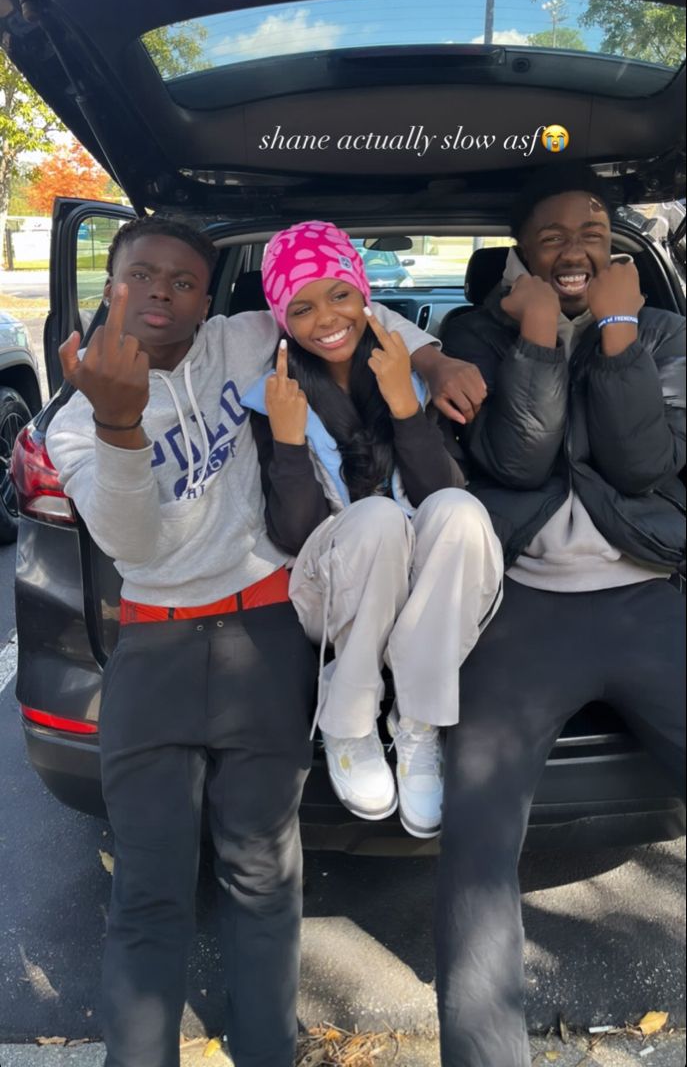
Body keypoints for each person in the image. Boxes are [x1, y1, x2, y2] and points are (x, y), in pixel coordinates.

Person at [45, 215, 490, 1067]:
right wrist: (119, 426)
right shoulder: (73, 418)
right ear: (112, 285)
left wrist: (430, 359)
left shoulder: (244, 338)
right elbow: (130, 546)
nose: (163, 294)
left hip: (265, 636)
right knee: (148, 896)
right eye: (143, 276)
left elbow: (353, 317)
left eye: (183, 281)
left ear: (207, 298)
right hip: (154, 650)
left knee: (262, 884)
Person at [435, 164, 686, 1067]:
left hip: (647, 597)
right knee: (476, 842)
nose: (573, 246)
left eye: (591, 228)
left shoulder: (661, 330)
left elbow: (641, 466)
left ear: (616, 242)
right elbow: (512, 461)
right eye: (550, 234)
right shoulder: (474, 332)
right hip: (522, 609)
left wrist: (615, 331)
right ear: (521, 253)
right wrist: (537, 335)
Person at [241, 221, 503, 839]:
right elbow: (294, 532)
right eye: (301, 307)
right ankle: (350, 720)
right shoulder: (273, 394)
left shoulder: (403, 371)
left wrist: (405, 403)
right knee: (380, 518)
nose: (326, 318)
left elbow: (442, 494)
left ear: (365, 295)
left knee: (462, 513)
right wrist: (285, 435)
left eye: (340, 295)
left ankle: (418, 724)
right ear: (282, 319)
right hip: (331, 589)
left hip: (423, 582)